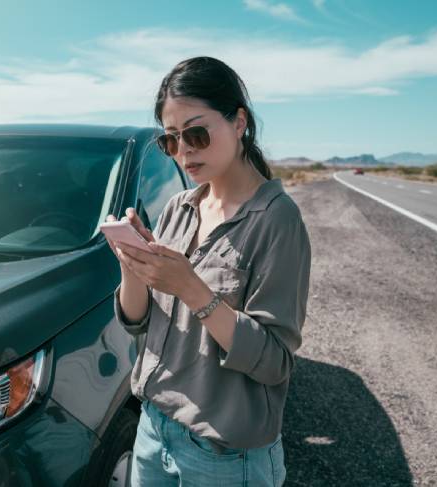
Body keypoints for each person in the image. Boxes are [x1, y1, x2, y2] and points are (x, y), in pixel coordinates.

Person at [103, 56, 311, 486]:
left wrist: (193, 290)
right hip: (154, 428)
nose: (184, 151)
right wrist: (134, 264)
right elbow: (136, 321)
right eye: (171, 141)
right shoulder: (180, 208)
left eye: (196, 133)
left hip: (224, 454)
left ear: (239, 123)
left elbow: (274, 362)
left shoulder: (276, 220)